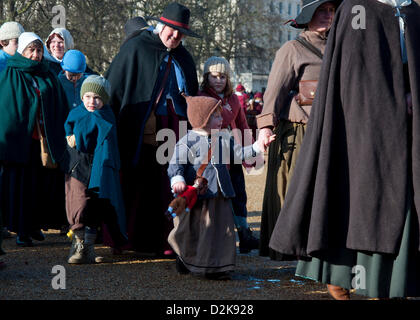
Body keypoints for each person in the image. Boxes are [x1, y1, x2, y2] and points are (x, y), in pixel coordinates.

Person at [266, 0, 420, 300]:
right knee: (352, 195)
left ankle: (391, 282)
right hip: (359, 124)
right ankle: (340, 276)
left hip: (406, 126)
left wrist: (411, 90)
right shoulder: (355, 9)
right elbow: (352, 69)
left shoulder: (412, 12)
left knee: (401, 196)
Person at [105, 2, 200, 257]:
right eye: (172, 30)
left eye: (181, 33)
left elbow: (191, 94)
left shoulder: (184, 56)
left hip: (175, 126)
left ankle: (167, 239)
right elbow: (114, 88)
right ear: (161, 25)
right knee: (136, 179)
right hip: (139, 125)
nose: (176, 36)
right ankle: (127, 237)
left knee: (168, 180)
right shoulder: (136, 48)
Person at [257, 0, 338, 261]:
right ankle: (289, 246)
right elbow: (275, 91)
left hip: (332, 129)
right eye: (322, 11)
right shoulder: (291, 49)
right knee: (294, 188)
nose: (328, 15)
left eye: (331, 11)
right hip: (299, 129)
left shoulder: (341, 48)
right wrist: (265, 127)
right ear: (308, 15)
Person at [168, 95, 275, 279]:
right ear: (202, 119)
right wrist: (177, 179)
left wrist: (258, 146)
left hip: (221, 195)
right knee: (194, 231)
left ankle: (217, 267)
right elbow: (175, 163)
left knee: (222, 233)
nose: (221, 120)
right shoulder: (188, 141)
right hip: (199, 197)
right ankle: (187, 259)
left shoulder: (224, 138)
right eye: (216, 116)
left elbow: (240, 154)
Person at [0, 32, 69, 247]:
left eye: (39, 50)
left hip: (44, 140)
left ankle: (35, 225)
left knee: (41, 184)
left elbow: (59, 102)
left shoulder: (47, 74)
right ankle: (21, 229)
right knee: (21, 186)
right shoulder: (11, 73)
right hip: (21, 142)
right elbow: (7, 106)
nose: (36, 54)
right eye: (31, 49)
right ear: (22, 50)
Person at [198, 56, 260, 253]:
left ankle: (244, 232)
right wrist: (224, 107)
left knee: (239, 193)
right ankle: (220, 237)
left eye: (222, 76)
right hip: (212, 153)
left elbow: (241, 124)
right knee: (220, 194)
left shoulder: (233, 98)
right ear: (206, 77)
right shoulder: (202, 97)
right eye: (214, 76)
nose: (218, 80)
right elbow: (219, 118)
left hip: (233, 150)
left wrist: (249, 153)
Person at [64, 75, 127, 264]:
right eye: (88, 96)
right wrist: (69, 136)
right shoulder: (76, 113)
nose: (92, 101)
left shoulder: (107, 116)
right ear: (82, 97)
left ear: (104, 100)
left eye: (97, 98)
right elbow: (68, 128)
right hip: (78, 164)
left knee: (97, 204)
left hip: (100, 166)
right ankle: (78, 243)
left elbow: (110, 143)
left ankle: (88, 247)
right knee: (78, 201)